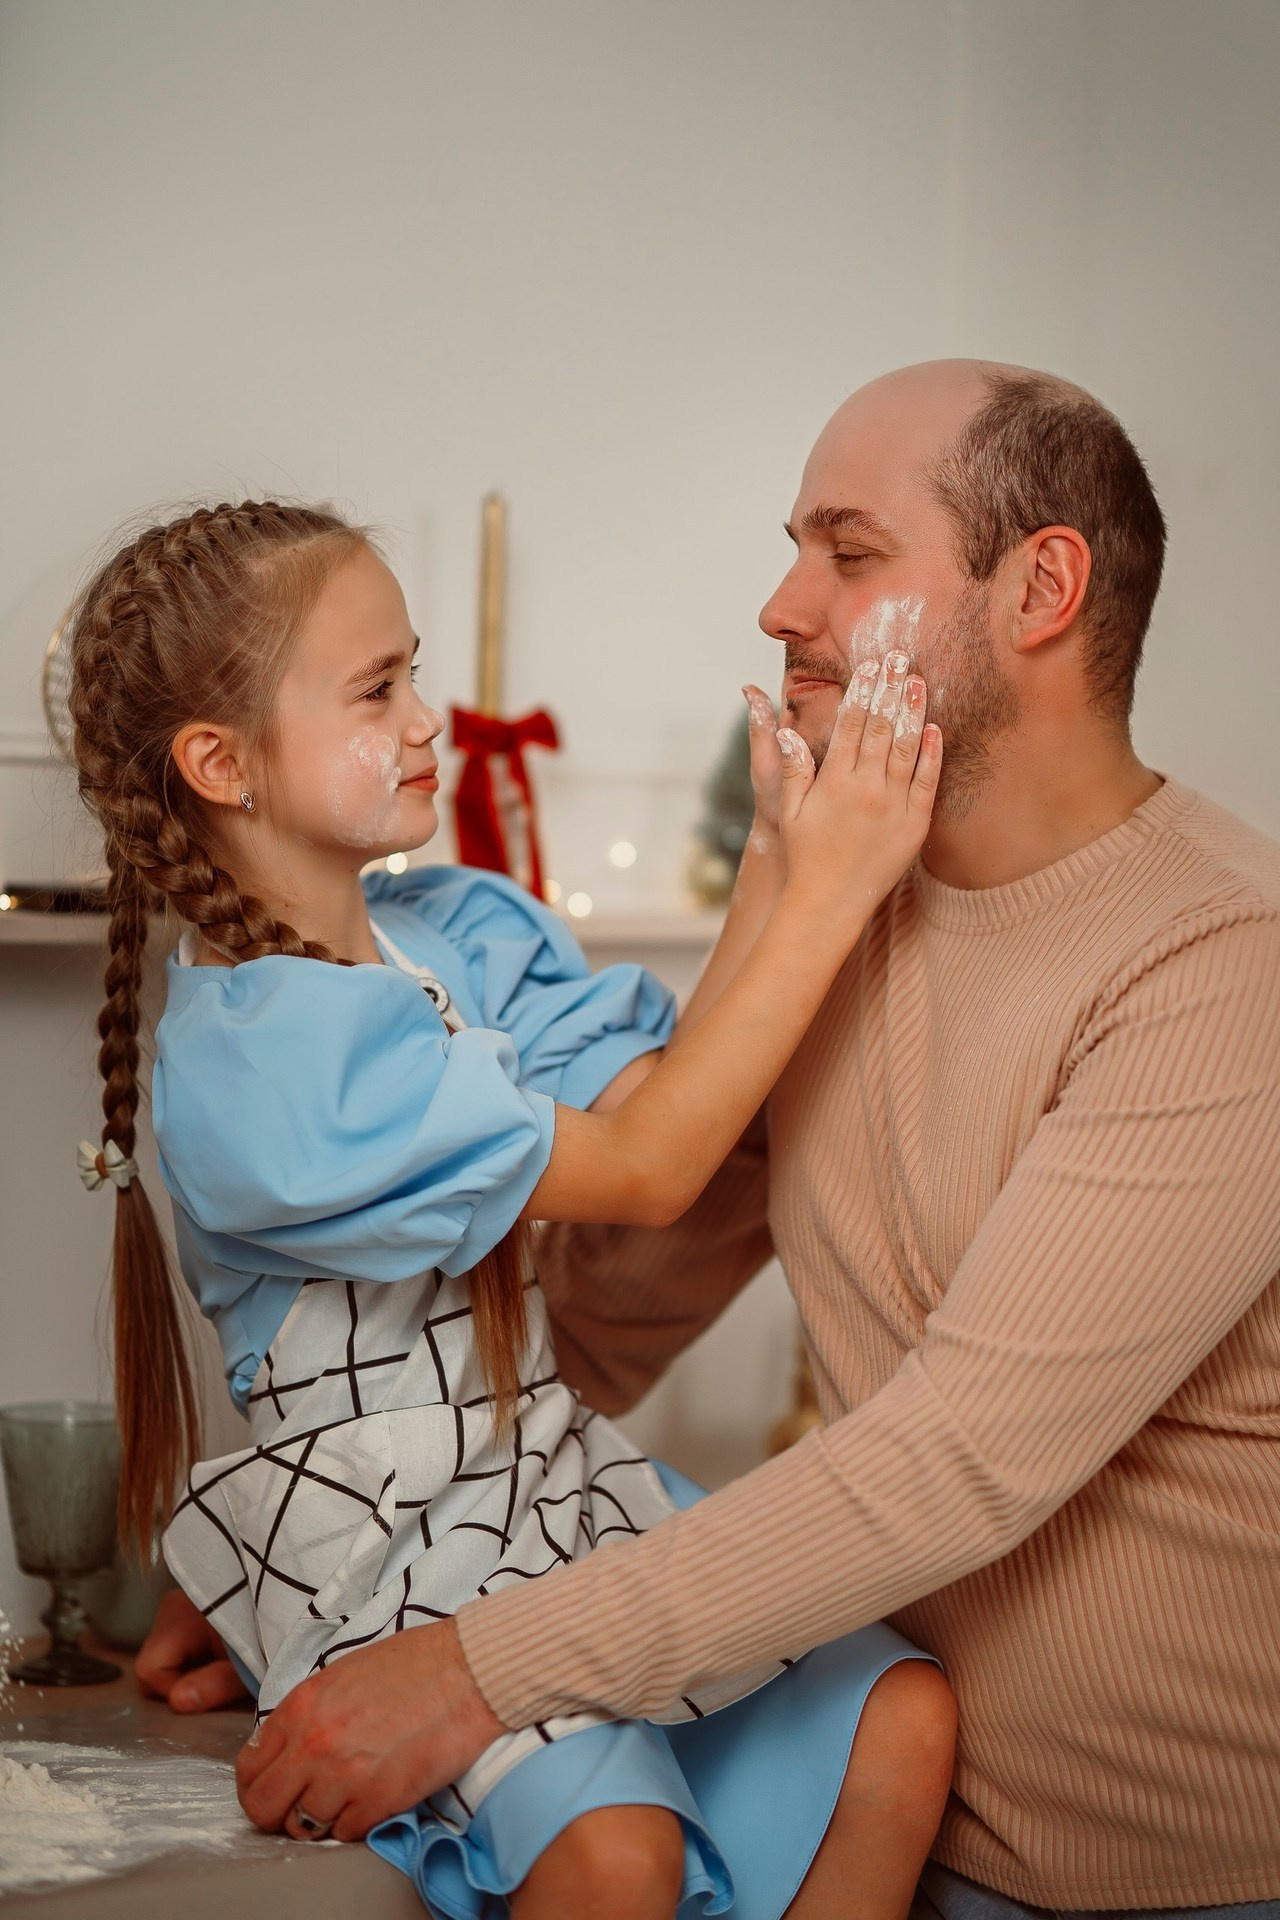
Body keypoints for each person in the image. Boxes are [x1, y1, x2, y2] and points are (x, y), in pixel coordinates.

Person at [207, 363, 1280, 1917]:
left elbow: (952, 1464)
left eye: (849, 555)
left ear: (1042, 586)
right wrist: (338, 1544)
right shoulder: (847, 906)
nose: (784, 605)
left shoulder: (1221, 965)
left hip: (1191, 1880)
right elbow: (636, 1291)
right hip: (913, 1824)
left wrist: (467, 1668)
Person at [71, 500, 956, 1920]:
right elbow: (655, 1168)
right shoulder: (266, 1069)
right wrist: (833, 890)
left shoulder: (461, 933)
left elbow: (675, 1094)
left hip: (554, 1485)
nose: (431, 720)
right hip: (389, 1550)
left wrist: (785, 861)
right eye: (379, 689)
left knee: (902, 1721)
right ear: (220, 765)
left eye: (415, 669)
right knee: (617, 1858)